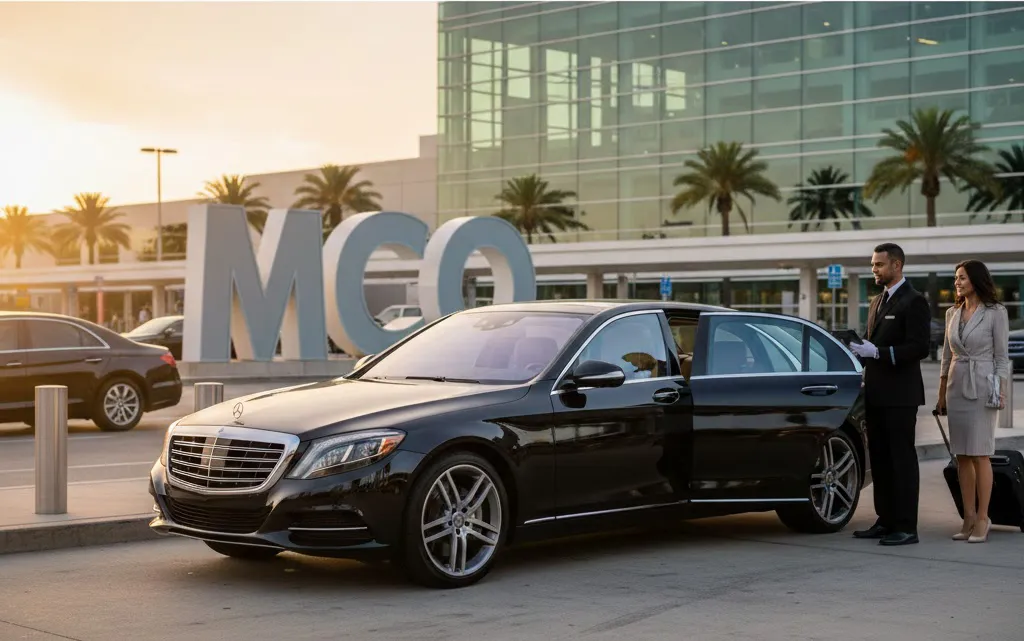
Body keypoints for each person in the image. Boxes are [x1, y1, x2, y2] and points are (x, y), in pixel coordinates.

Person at [848, 243, 931, 546]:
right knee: (881, 460)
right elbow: (872, 344)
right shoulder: (874, 302)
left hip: (901, 396)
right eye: (872, 265)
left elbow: (920, 347)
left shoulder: (915, 301)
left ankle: (907, 527)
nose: (874, 270)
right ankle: (886, 521)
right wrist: (859, 350)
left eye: (879, 265)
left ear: (896, 265)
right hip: (876, 393)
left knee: (901, 461)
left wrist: (880, 352)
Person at [937, 259, 1010, 544]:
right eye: (955, 277)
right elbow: (945, 355)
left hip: (983, 384)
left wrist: (1000, 389)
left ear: (976, 280)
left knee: (980, 453)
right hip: (957, 384)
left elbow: (1001, 357)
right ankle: (967, 516)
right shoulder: (952, 313)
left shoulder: (996, 312)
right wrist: (941, 393)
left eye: (962, 277)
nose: (957, 282)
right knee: (962, 455)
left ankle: (983, 517)